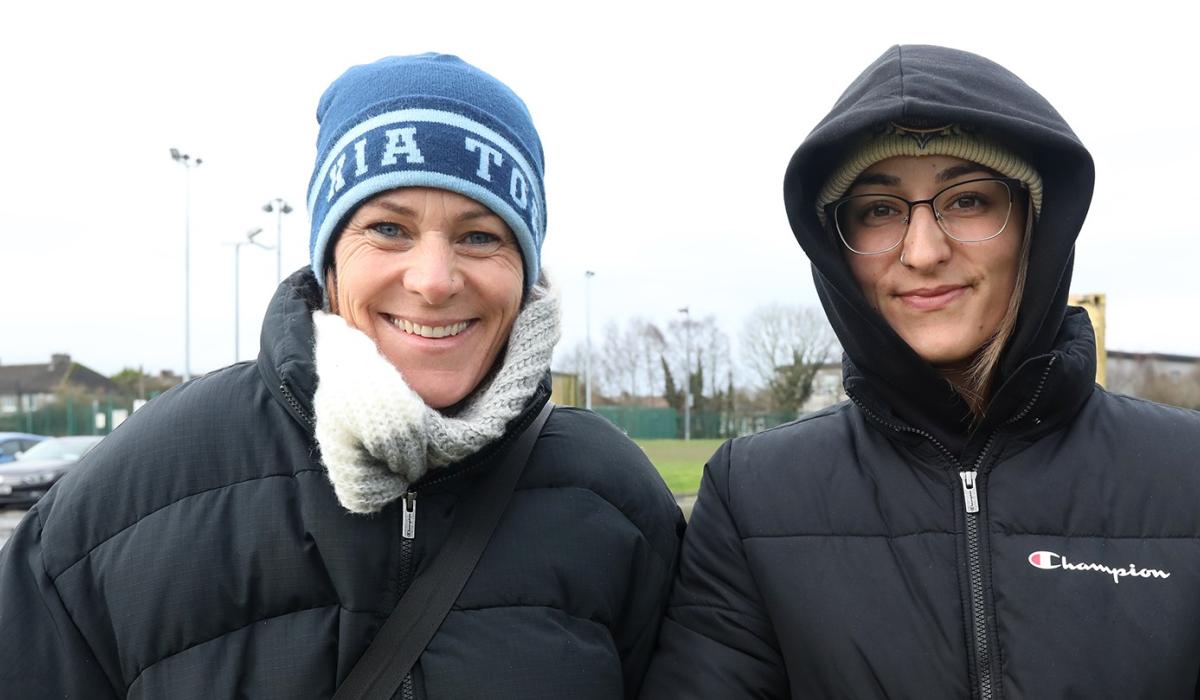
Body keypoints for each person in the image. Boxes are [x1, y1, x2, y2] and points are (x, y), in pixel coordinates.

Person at [0, 54, 682, 699]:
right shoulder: (124, 497)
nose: (434, 280)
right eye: (388, 228)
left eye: (480, 236)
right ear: (329, 259)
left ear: (525, 268)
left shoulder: (622, 503)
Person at [641, 45, 1200, 699]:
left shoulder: (1185, 471)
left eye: (968, 201)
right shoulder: (752, 495)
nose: (924, 251)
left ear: (1035, 223)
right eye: (878, 210)